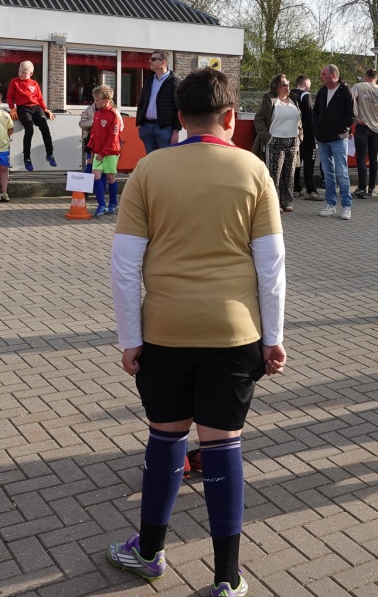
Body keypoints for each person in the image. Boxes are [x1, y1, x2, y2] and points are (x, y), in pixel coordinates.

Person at [109, 67, 286, 597]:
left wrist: (130, 338)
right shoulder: (254, 170)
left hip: (164, 331)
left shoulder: (148, 169)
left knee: (166, 437)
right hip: (235, 332)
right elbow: (272, 267)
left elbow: (124, 266)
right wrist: (273, 337)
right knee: (223, 445)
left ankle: (148, 552)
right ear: (231, 117)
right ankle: (227, 578)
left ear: (180, 118)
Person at [251, 73, 301, 212]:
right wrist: (268, 138)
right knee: (274, 175)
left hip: (292, 141)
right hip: (275, 141)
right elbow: (259, 119)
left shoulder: (293, 100)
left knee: (289, 174)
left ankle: (287, 201)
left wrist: (300, 137)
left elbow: (299, 120)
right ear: (277, 87)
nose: (288, 86)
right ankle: (274, 202)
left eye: (288, 83)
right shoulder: (269, 100)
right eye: (285, 84)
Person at [312, 64, 355, 220]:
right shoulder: (322, 92)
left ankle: (347, 206)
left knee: (341, 173)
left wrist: (340, 129)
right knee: (328, 173)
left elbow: (352, 114)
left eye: (324, 74)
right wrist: (317, 130)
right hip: (323, 139)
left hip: (338, 139)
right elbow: (315, 113)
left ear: (334, 76)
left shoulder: (346, 91)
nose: (321, 77)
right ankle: (330, 204)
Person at [4, 60, 55, 171]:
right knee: (29, 128)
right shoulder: (14, 82)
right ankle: (27, 157)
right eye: (19, 71)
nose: (21, 74)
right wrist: (12, 109)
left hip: (36, 107)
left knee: (45, 128)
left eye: (24, 72)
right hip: (23, 108)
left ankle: (50, 154)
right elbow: (9, 97)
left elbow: (40, 98)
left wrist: (46, 110)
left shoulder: (34, 84)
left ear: (30, 73)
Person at [352, 68, 378, 199]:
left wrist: (356, 117)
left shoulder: (358, 86)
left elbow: (351, 100)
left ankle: (361, 188)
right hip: (376, 129)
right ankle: (372, 188)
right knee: (374, 158)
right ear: (376, 78)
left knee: (361, 157)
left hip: (362, 126)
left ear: (366, 76)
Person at [136, 50, 181, 154]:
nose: (150, 61)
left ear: (163, 62)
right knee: (151, 159)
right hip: (147, 127)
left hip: (164, 128)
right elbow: (142, 102)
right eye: (150, 59)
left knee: (165, 159)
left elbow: (179, 107)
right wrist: (139, 122)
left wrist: (176, 130)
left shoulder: (175, 81)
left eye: (153, 59)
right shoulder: (149, 80)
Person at [90, 85, 125, 217]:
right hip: (98, 152)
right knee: (96, 175)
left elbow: (113, 137)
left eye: (97, 100)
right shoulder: (97, 113)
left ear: (106, 101)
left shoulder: (113, 116)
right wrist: (93, 150)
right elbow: (94, 134)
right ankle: (101, 205)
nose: (95, 102)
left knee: (110, 176)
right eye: (94, 100)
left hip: (110, 152)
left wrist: (103, 153)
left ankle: (113, 203)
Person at [291, 75, 321, 200]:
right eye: (309, 84)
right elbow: (309, 116)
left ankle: (296, 188)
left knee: (296, 162)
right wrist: (315, 133)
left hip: (293, 134)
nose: (310, 86)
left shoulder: (290, 94)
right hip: (306, 135)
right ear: (304, 83)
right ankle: (310, 189)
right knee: (309, 162)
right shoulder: (305, 95)